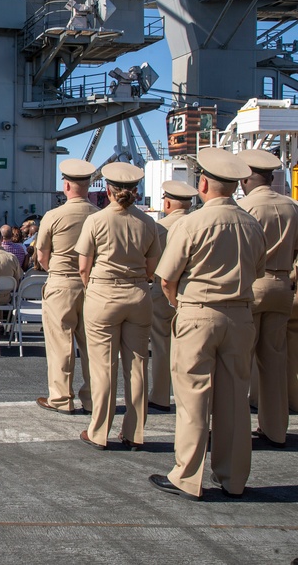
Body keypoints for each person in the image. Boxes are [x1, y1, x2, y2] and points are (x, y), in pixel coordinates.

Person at [150, 148, 265, 500]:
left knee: (193, 399)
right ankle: (233, 478)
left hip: (199, 312)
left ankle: (187, 476)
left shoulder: (191, 223)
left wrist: (178, 304)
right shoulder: (251, 223)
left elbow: (167, 278)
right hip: (241, 315)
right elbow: (258, 270)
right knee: (234, 400)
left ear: (202, 183)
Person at [75, 162, 159, 451]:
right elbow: (152, 266)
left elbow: (83, 267)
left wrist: (94, 288)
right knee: (137, 366)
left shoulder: (96, 221)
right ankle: (135, 432)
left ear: (107, 190)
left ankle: (99, 431)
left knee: (103, 368)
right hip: (138, 292)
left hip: (103, 292)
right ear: (135, 191)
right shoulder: (147, 222)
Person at [236, 148, 298, 448]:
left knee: (239, 362)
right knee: (275, 361)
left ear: (246, 177)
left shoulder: (246, 208)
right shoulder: (292, 206)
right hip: (283, 284)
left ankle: (234, 428)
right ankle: (275, 430)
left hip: (252, 285)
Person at [34, 159, 98, 416]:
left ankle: (61, 398)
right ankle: (94, 398)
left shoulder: (53, 216)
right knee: (93, 346)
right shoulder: (99, 214)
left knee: (61, 343)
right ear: (89, 185)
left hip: (61, 283)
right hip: (93, 285)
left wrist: (57, 273)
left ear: (67, 185)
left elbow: (41, 255)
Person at [148, 180, 197, 412]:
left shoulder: (159, 227)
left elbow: (150, 263)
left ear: (167, 202)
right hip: (192, 291)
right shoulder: (199, 222)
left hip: (163, 287)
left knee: (161, 343)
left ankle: (160, 395)